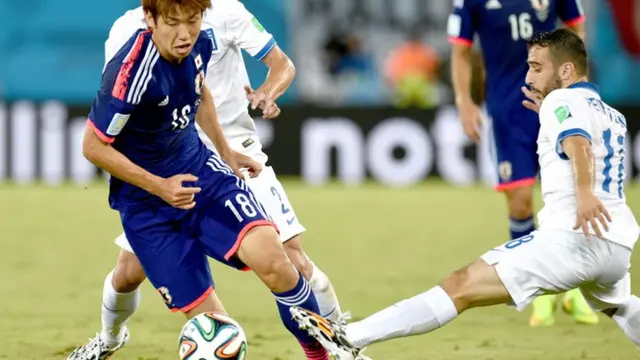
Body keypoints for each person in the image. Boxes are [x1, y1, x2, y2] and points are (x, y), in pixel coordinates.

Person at [290, 29, 640, 360]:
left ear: (566, 70)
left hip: (573, 236)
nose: (528, 77)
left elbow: (578, 143)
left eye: (537, 67)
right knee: (620, 305)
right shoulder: (611, 114)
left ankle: (347, 338)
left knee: (460, 286)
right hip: (616, 242)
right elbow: (582, 137)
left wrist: (583, 193)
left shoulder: (560, 101)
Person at [67, 1, 331, 359]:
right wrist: (160, 186)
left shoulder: (201, 40)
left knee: (277, 260)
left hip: (202, 171)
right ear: (151, 19)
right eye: (174, 23)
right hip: (149, 203)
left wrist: (225, 151)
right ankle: (109, 338)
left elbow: (200, 91)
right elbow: (93, 146)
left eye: (192, 21)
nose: (185, 33)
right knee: (213, 334)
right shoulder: (129, 69)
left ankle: (326, 354)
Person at [447, 0, 597, 326]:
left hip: (556, 103)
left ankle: (571, 289)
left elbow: (577, 30)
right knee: (520, 201)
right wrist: (464, 102)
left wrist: (577, 87)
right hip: (508, 111)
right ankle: (541, 293)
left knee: (570, 195)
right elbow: (459, 52)